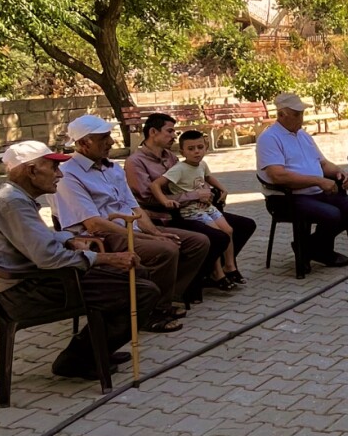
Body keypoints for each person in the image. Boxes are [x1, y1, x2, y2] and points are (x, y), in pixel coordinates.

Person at [0, 142, 158, 380]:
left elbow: (37, 238)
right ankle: (77, 359)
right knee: (142, 291)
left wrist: (69, 239)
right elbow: (49, 258)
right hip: (24, 292)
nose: (60, 175)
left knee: (136, 274)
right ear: (32, 170)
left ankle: (97, 348)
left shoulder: (12, 197)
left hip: (29, 281)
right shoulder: (11, 203)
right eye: (54, 168)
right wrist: (106, 258)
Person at [54, 114, 209, 332]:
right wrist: (146, 237)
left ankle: (161, 298)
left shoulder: (112, 168)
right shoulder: (68, 174)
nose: (111, 142)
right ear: (83, 143)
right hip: (103, 237)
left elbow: (134, 207)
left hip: (130, 228)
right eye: (104, 138)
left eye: (109, 136)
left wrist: (155, 233)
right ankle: (150, 311)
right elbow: (94, 224)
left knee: (198, 242)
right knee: (166, 250)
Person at [125, 111, 256, 289]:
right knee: (217, 236)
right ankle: (200, 277)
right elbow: (147, 198)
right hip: (163, 216)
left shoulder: (170, 156)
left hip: (189, 209)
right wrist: (194, 195)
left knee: (244, 225)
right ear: (153, 132)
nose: (174, 135)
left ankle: (215, 269)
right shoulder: (135, 162)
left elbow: (187, 179)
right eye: (170, 131)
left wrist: (208, 192)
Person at [256, 93, 348, 270]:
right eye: (296, 114)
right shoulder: (269, 138)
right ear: (281, 114)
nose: (301, 118)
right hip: (286, 198)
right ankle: (317, 250)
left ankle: (308, 248)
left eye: (302, 114)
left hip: (314, 193)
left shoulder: (303, 135)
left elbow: (323, 163)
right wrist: (318, 181)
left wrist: (339, 172)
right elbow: (278, 176)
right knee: (331, 214)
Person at [149, 130, 240, 290]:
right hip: (190, 210)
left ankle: (230, 266)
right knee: (218, 235)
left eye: (200, 147)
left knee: (228, 230)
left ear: (206, 148)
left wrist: (223, 189)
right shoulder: (179, 169)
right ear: (182, 151)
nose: (196, 152)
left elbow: (208, 177)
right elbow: (155, 185)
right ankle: (217, 272)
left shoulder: (202, 164)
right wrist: (165, 200)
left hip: (205, 207)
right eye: (191, 149)